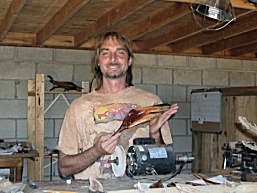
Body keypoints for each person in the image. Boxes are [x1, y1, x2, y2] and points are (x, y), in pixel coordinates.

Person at [57, 31, 179, 180]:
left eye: (120, 53)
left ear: (129, 61)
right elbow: (64, 168)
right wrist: (96, 151)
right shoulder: (79, 107)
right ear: (98, 61)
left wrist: (155, 135)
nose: (113, 59)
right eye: (105, 53)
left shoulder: (150, 103)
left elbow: (165, 164)